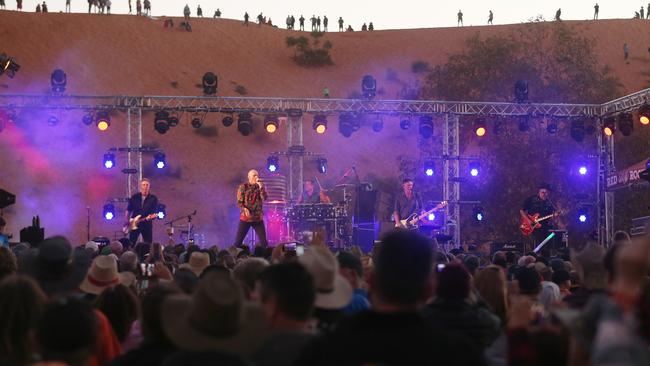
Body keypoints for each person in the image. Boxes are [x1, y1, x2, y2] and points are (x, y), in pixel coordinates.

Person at [234, 170, 269, 248]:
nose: (256, 177)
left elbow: (264, 198)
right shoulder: (243, 187)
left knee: (264, 242)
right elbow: (239, 202)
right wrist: (244, 209)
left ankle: (266, 258)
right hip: (246, 218)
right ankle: (235, 257)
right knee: (238, 242)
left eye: (257, 175)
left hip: (257, 219)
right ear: (249, 177)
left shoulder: (261, 187)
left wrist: (261, 187)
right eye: (254, 176)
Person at [520, 183, 556, 250]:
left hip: (544, 227)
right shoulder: (531, 199)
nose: (544, 194)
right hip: (531, 226)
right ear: (539, 192)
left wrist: (554, 216)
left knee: (545, 246)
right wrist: (528, 220)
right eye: (543, 192)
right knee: (535, 245)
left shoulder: (549, 203)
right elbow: (522, 210)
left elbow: (551, 216)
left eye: (546, 193)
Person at [125, 178, 159, 244]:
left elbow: (154, 212)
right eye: (143, 185)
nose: (145, 186)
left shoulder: (153, 198)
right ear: (140, 186)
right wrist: (126, 221)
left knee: (148, 243)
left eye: (147, 185)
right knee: (131, 243)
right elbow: (128, 209)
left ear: (149, 187)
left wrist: (151, 217)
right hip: (134, 223)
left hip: (147, 224)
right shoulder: (135, 197)